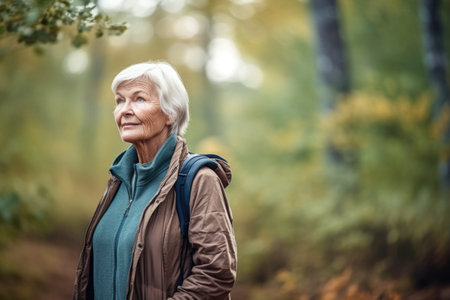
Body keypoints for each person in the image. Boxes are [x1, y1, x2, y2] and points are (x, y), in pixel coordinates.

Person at [73, 61, 237, 300]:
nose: (125, 110)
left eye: (139, 99)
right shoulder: (118, 179)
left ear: (172, 112)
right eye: (120, 101)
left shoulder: (200, 179)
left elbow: (216, 273)